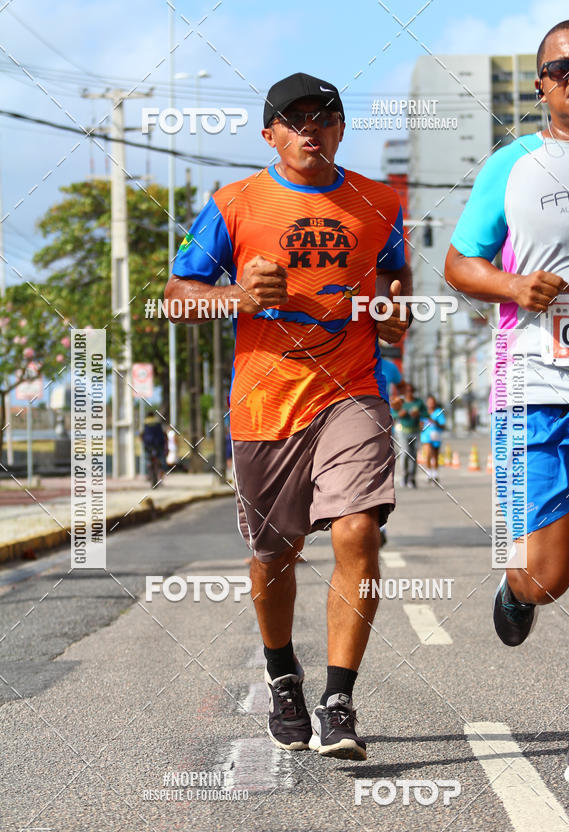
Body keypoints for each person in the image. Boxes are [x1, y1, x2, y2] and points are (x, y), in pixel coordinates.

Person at [164, 72, 412, 760]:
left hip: (353, 389)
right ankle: (283, 675)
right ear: (270, 133)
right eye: (295, 117)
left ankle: (339, 700)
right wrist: (238, 295)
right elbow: (178, 295)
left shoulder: (379, 201)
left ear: (340, 128)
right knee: (273, 558)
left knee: (358, 530)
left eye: (324, 116)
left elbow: (394, 282)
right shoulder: (235, 203)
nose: (311, 126)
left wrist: (394, 315)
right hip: (266, 404)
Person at [445, 19, 569, 789]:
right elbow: (459, 262)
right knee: (550, 575)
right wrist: (512, 286)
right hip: (537, 388)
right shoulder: (512, 164)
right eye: (563, 65)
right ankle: (518, 589)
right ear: (541, 83)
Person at [379, 353, 403, 544]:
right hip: (350, 424)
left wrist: (398, 400)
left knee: (380, 475)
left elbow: (402, 387)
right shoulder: (350, 356)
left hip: (383, 424)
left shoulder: (389, 366)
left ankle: (380, 526)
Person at [392, 382, 426, 488]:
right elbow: (392, 413)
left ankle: (412, 478)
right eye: (407, 391)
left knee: (413, 455)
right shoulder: (400, 402)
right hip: (402, 431)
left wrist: (418, 414)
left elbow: (426, 413)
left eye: (411, 391)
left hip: (415, 431)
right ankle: (404, 476)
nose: (409, 393)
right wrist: (399, 414)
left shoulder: (418, 402)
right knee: (405, 453)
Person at [420, 394, 445, 483]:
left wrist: (435, 422)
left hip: (436, 435)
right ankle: (429, 474)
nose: (431, 404)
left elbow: (443, 425)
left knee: (435, 455)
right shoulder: (423, 412)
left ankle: (435, 474)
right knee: (428, 454)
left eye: (432, 402)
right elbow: (420, 424)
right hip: (425, 436)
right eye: (429, 402)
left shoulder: (439, 412)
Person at [141, 412, 167, 480]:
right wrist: (165, 442)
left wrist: (143, 441)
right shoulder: (158, 422)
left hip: (148, 444)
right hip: (159, 444)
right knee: (161, 459)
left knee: (147, 459)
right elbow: (164, 433)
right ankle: (161, 474)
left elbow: (141, 433)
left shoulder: (144, 423)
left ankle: (148, 473)